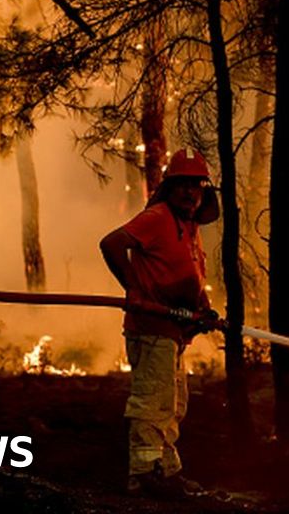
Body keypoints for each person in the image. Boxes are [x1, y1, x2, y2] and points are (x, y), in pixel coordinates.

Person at [100, 147, 221, 497]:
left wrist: (204, 309)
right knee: (152, 402)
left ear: (204, 191)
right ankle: (143, 474)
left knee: (172, 403)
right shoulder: (157, 218)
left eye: (195, 185)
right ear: (169, 188)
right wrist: (134, 290)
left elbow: (191, 273)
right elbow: (110, 244)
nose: (189, 192)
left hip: (173, 333)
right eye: (181, 184)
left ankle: (166, 471)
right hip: (151, 328)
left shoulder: (190, 225)